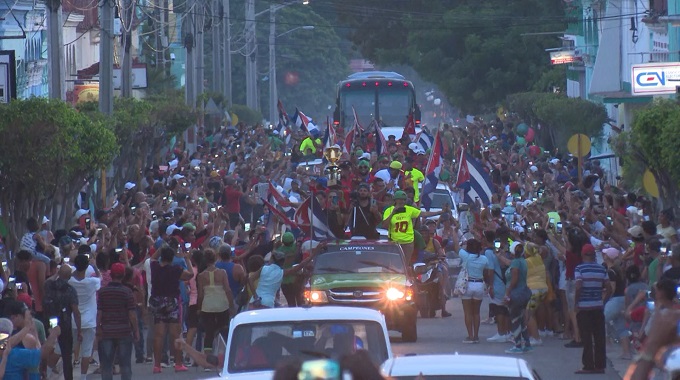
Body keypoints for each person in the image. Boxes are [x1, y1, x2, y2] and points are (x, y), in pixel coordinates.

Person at [149, 246, 193, 373]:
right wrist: (187, 259)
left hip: (157, 301)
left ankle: (157, 365)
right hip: (171, 301)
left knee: (159, 335)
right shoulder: (176, 269)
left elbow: (152, 258)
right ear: (172, 258)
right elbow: (189, 275)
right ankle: (178, 363)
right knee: (175, 334)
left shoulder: (155, 267)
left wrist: (161, 248)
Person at [248, 242, 325, 309]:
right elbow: (301, 265)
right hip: (268, 303)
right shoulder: (281, 273)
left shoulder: (263, 268)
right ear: (283, 263)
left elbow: (250, 279)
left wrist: (255, 296)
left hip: (254, 301)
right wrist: (314, 253)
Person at [97, 263, 139, 380]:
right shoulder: (127, 292)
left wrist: (98, 328)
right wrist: (136, 330)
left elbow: (99, 312)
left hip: (107, 330)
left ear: (111, 274)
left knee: (106, 365)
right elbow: (132, 314)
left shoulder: (103, 292)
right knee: (125, 365)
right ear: (123, 275)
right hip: (124, 331)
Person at [574, 243, 611, 374]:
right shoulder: (601, 269)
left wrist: (576, 302)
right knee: (599, 337)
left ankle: (588, 365)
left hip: (584, 307)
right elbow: (609, 287)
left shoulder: (580, 268)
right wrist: (603, 300)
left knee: (587, 337)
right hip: (597, 306)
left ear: (583, 254)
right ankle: (600, 365)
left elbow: (578, 286)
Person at [382, 190, 446, 264]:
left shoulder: (409, 209)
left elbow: (424, 214)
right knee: (393, 263)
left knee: (405, 263)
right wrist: (393, 213)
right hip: (394, 242)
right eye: (400, 199)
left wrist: (439, 212)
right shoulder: (388, 210)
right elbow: (384, 225)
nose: (402, 201)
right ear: (395, 200)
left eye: (404, 200)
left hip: (408, 242)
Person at [43, 264, 81, 380]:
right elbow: (75, 311)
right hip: (65, 324)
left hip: (49, 321)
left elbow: (47, 281)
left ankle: (44, 374)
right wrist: (79, 330)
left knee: (48, 349)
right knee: (66, 356)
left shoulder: (49, 285)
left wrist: (56, 274)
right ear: (70, 277)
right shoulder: (70, 290)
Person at [68, 254, 101, 377]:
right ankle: (83, 377)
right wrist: (95, 265)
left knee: (71, 349)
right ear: (87, 266)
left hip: (73, 321)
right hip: (89, 321)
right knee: (86, 352)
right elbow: (99, 277)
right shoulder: (91, 282)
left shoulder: (70, 282)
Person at [197, 249, 235, 354]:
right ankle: (225, 355)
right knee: (223, 330)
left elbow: (200, 295)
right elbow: (227, 290)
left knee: (209, 333)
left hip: (207, 306)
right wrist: (231, 306)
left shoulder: (201, 276)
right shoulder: (222, 273)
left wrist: (199, 308)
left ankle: (208, 360)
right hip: (222, 305)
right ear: (215, 259)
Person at [458, 238, 491, 343]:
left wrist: (455, 231)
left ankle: (470, 336)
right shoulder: (484, 259)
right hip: (479, 285)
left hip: (467, 284)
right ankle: (476, 336)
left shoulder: (466, 257)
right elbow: (487, 272)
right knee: (476, 312)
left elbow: (456, 246)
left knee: (468, 313)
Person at [503, 241, 532, 354]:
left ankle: (518, 345)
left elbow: (514, 279)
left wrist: (507, 293)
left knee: (515, 320)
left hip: (516, 293)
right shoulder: (523, 261)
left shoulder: (515, 262)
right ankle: (527, 343)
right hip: (524, 292)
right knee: (521, 319)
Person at [483, 231, 510, 343]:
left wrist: (490, 285)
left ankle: (501, 333)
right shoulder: (501, 252)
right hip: (505, 282)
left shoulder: (489, 253)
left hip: (497, 283)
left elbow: (491, 270)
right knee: (505, 309)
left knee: (498, 309)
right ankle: (508, 332)